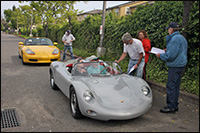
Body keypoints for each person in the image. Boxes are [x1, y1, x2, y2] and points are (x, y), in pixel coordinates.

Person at [156, 22, 188, 113]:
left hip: (175, 66)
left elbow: (170, 56)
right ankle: (175, 105)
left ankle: (170, 107)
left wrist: (161, 55)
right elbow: (178, 51)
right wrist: (167, 50)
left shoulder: (174, 39)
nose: (168, 31)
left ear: (171, 29)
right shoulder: (181, 38)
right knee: (176, 86)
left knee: (171, 86)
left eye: (168, 29)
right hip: (181, 65)